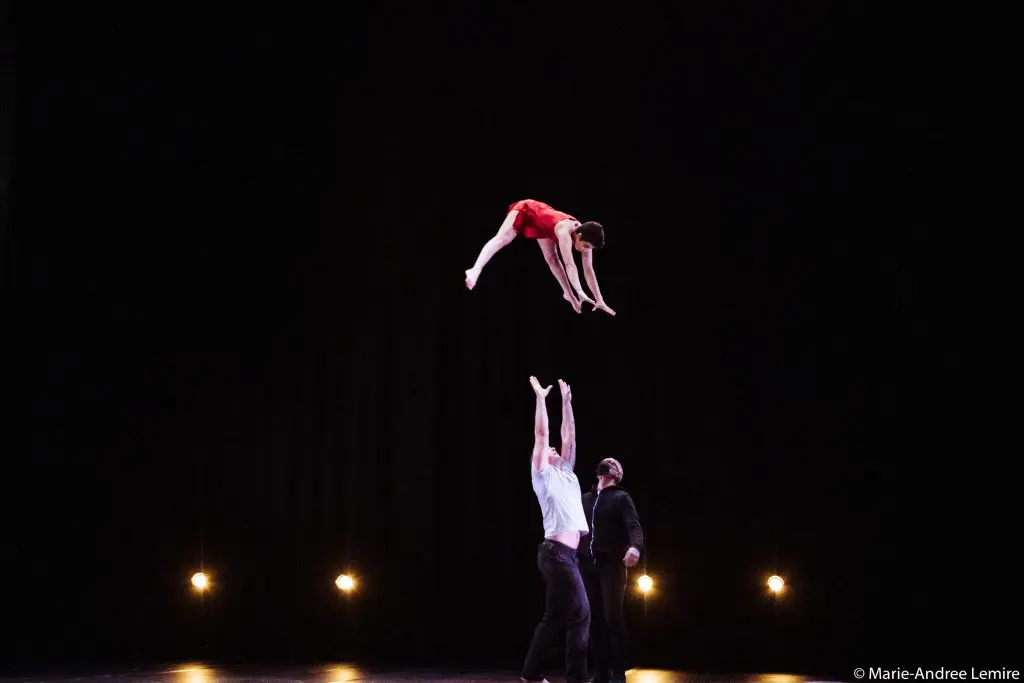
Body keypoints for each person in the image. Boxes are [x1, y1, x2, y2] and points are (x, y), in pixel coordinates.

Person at [520, 376, 592, 683]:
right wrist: (540, 398)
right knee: (581, 613)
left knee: (553, 618)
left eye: (555, 448)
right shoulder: (543, 475)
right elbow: (541, 434)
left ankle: (530, 674)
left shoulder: (567, 473)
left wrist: (566, 402)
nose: (554, 448)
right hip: (556, 555)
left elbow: (569, 435)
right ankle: (577, 678)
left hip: (566, 557)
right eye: (549, 449)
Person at [465, 199, 616, 316]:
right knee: (503, 239)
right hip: (527, 210)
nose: (586, 251)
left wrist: (599, 298)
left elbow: (589, 271)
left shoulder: (585, 237)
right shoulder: (564, 231)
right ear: (579, 235)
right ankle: (475, 269)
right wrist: (579, 290)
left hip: (544, 226)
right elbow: (570, 264)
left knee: (552, 258)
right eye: (586, 246)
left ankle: (568, 295)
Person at [579, 457, 645, 683]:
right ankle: (601, 670)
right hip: (587, 566)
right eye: (604, 461)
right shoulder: (586, 499)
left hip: (611, 566)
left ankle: (619, 671)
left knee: (612, 617)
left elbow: (633, 526)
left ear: (617, 474)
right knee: (594, 618)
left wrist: (635, 547)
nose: (606, 463)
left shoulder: (621, 497)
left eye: (612, 463)